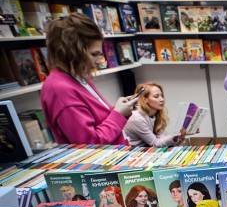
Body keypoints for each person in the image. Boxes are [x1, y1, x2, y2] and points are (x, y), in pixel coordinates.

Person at [41, 13, 138, 144]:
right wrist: (118, 114)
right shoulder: (60, 89)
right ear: (72, 53)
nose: (99, 61)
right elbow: (90, 144)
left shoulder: (78, 77)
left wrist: (119, 109)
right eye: (94, 54)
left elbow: (99, 120)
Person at [123, 83, 185, 147]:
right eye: (156, 96)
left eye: (162, 96)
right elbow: (155, 144)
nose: (162, 99)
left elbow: (160, 138)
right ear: (145, 99)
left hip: (148, 149)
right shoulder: (137, 118)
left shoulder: (154, 115)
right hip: (135, 152)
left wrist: (178, 138)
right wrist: (175, 137)